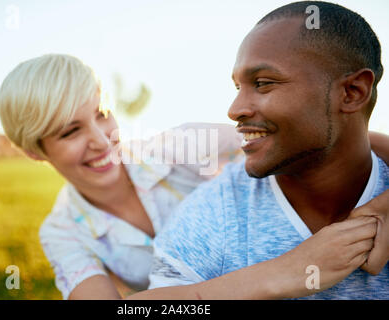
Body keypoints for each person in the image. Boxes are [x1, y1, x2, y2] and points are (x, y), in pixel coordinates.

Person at [0, 52, 388, 300]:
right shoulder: (62, 231)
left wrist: (383, 205)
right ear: (35, 151)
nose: (101, 140)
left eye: (101, 114)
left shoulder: (182, 145)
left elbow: (330, 138)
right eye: (70, 132)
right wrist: (289, 272)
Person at [139, 1, 389, 300]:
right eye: (238, 87)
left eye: (263, 83)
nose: (235, 110)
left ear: (352, 93)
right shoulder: (217, 210)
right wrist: (284, 273)